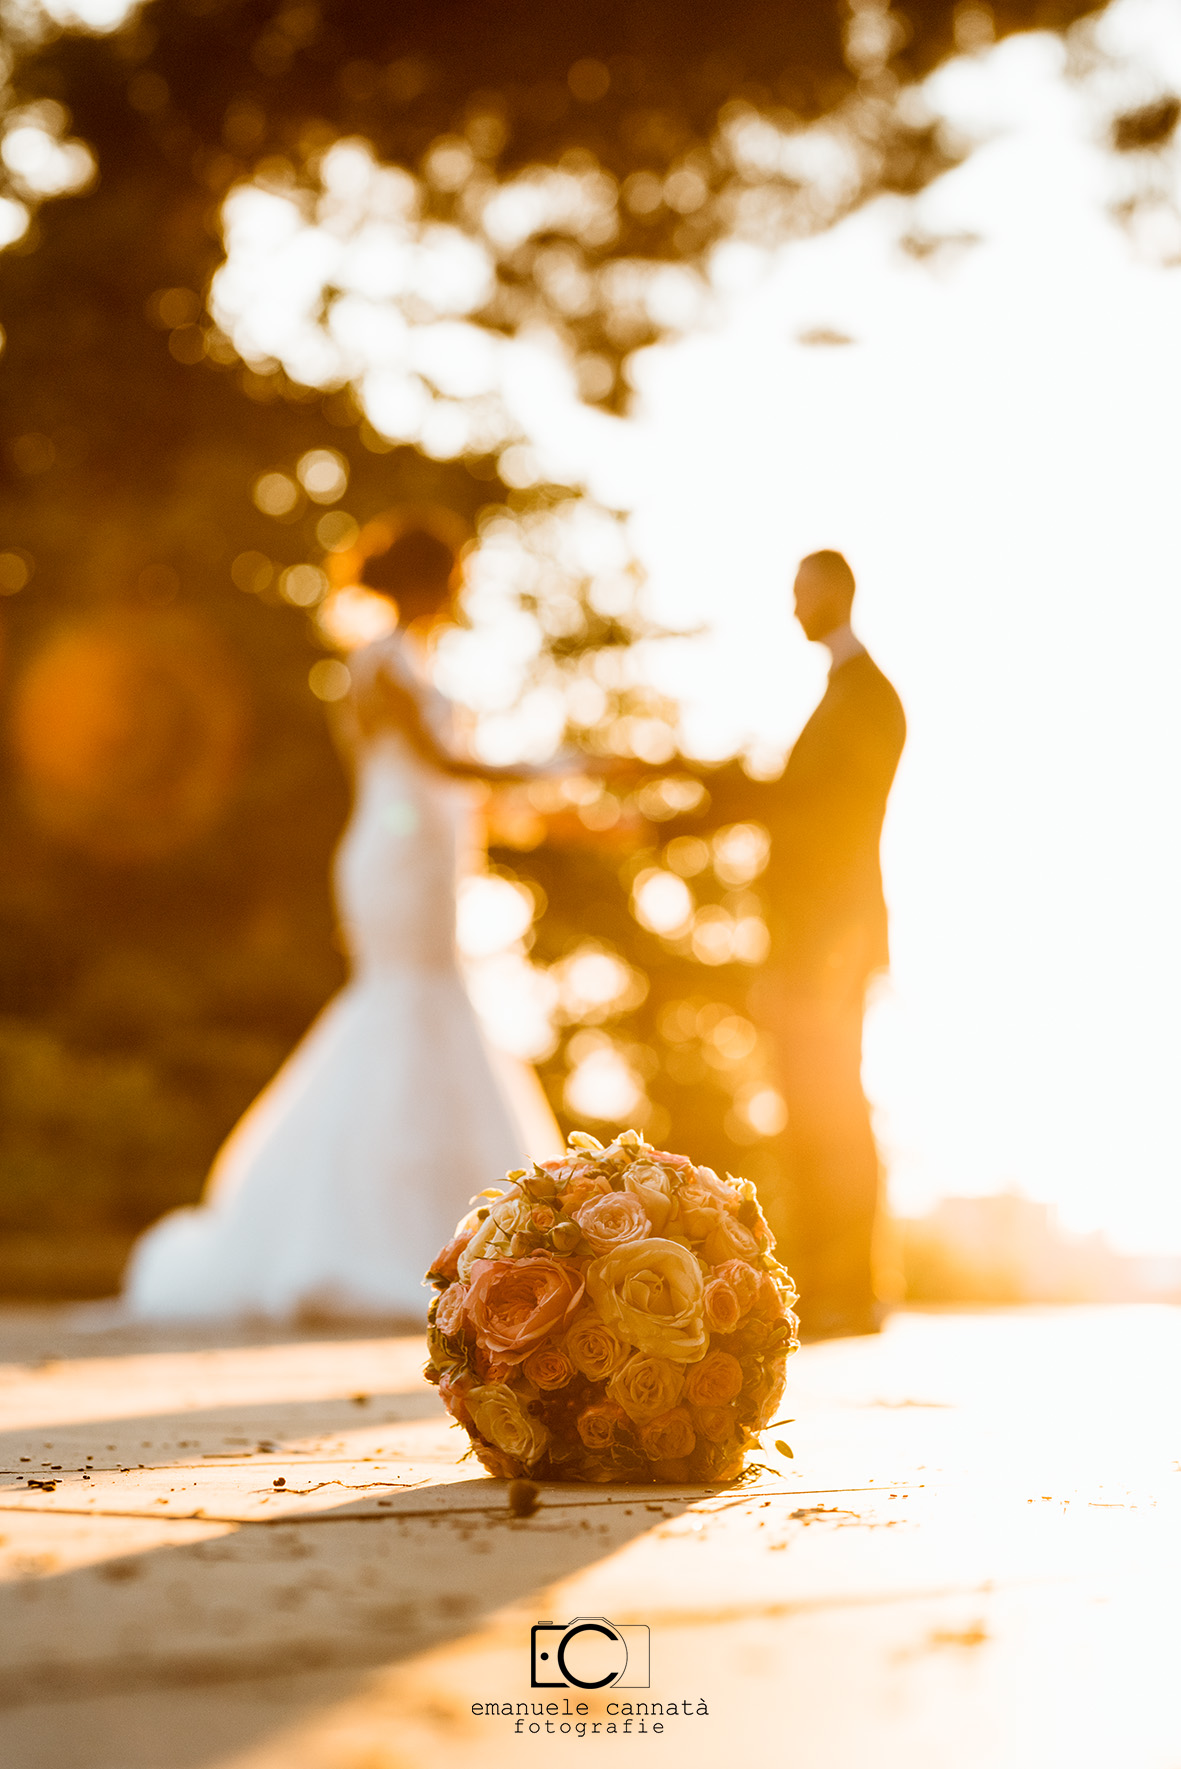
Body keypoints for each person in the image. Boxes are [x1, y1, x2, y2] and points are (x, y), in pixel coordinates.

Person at [124, 515, 563, 1322]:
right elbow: (441, 764)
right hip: (395, 852)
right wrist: (558, 765)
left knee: (433, 1006)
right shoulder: (377, 662)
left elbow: (461, 787)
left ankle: (455, 1231)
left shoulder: (415, 665)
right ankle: (368, 1235)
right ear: (433, 579)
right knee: (398, 1002)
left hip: (431, 853)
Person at [755, 550, 906, 1338]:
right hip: (812, 938)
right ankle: (825, 1282)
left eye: (800, 594)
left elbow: (816, 812)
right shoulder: (843, 694)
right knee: (808, 1106)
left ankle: (850, 1285)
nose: (792, 609)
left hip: (832, 939)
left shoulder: (867, 696)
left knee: (833, 1107)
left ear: (835, 593)